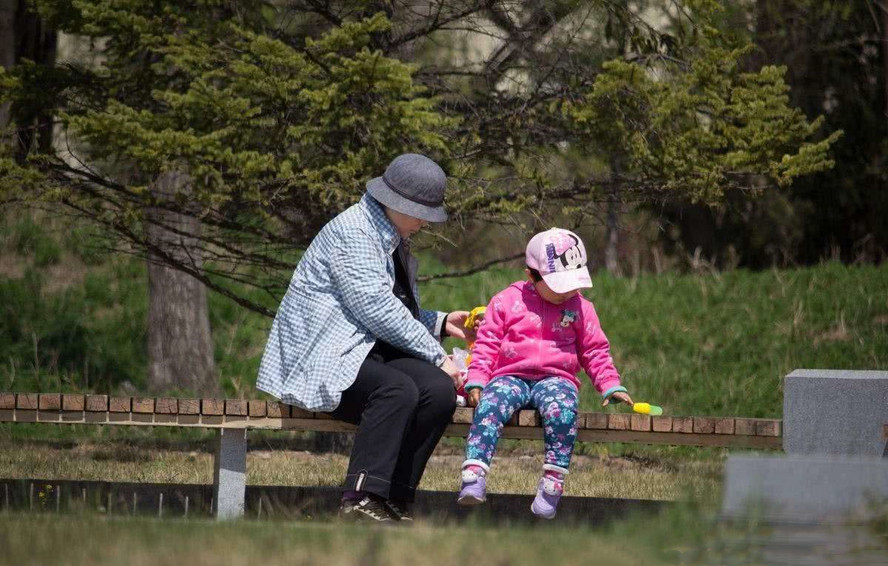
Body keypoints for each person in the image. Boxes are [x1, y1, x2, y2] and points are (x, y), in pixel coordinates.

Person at [257, 153, 473, 523]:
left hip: (365, 349)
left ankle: (394, 500)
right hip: (327, 355)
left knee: (437, 392)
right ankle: (360, 498)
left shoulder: (387, 235)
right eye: (421, 212)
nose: (424, 222)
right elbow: (375, 309)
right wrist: (439, 357)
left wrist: (438, 322)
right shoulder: (354, 232)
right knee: (396, 391)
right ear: (397, 204)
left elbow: (386, 306)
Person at [456, 228, 633, 519]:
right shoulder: (506, 301)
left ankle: (552, 484)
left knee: (563, 412)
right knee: (490, 405)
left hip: (556, 378)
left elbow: (594, 350)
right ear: (531, 275)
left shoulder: (580, 308)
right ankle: (474, 474)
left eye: (572, 284)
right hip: (509, 375)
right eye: (558, 284)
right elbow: (487, 343)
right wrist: (477, 378)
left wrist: (610, 384)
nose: (567, 291)